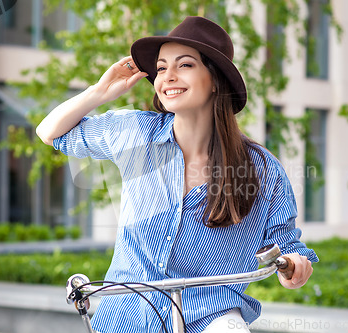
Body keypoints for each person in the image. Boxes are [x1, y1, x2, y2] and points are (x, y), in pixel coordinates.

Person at [37, 16, 318, 333]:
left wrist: (293, 267)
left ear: (215, 79)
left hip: (210, 317)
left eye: (184, 65)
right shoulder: (135, 133)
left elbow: (287, 247)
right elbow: (49, 132)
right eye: (160, 68)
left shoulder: (262, 168)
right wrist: (99, 92)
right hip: (125, 315)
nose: (168, 76)